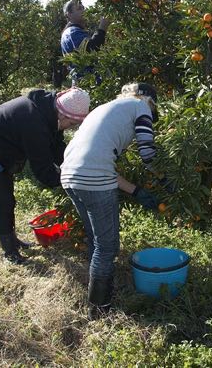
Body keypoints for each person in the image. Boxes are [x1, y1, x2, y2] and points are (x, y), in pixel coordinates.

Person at [60, 82, 162, 319]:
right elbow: (147, 152)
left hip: (69, 176)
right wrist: (164, 177)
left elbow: (99, 162)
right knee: (108, 247)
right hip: (92, 178)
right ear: (150, 101)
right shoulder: (141, 106)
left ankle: (98, 295)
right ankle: (99, 309)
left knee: (97, 242)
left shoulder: (107, 108)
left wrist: (136, 191)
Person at [0, 87, 91, 264]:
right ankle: (10, 252)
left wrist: (74, 165)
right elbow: (43, 170)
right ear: (63, 115)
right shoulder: (34, 123)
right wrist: (69, 183)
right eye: (72, 124)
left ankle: (12, 240)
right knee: (4, 202)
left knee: (6, 199)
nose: (71, 128)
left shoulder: (49, 110)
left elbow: (57, 148)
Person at [60, 0, 110, 85]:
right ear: (69, 14)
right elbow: (91, 49)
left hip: (87, 83)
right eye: (79, 8)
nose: (83, 10)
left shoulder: (75, 31)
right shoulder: (72, 32)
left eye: (83, 8)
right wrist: (102, 28)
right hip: (86, 83)